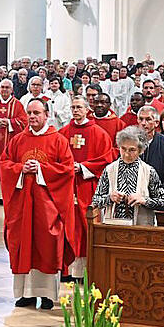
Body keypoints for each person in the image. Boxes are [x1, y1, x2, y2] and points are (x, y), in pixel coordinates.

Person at [0, 99, 76, 311]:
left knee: (47, 246)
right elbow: (4, 164)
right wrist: (20, 168)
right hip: (22, 205)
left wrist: (42, 169)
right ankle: (26, 295)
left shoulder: (58, 140)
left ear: (46, 114)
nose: (32, 117)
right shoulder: (17, 140)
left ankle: (47, 295)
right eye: (29, 113)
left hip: (47, 205)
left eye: (36, 113)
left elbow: (67, 170)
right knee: (22, 245)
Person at [59, 96, 116, 278]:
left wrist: (83, 167)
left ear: (86, 110)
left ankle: (87, 270)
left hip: (87, 186)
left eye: (79, 107)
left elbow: (107, 159)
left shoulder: (99, 134)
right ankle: (67, 269)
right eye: (73, 107)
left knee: (85, 226)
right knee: (68, 226)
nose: (75, 110)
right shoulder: (63, 133)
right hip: (67, 187)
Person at [92, 126, 164, 225]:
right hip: (113, 227)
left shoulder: (149, 171)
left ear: (141, 150)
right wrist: (110, 198)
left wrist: (144, 200)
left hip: (141, 229)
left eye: (132, 150)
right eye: (123, 149)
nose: (126, 154)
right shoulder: (109, 170)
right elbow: (95, 201)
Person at [0, 79, 27, 199]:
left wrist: (9, 122)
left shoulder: (18, 105)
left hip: (10, 142)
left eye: (7, 87)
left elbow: (24, 122)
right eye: (2, 87)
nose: (4, 90)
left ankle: (7, 195)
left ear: (12, 89)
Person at [135, 105, 164, 184]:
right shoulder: (129, 143)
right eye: (141, 119)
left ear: (156, 123)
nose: (143, 123)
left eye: (148, 119)